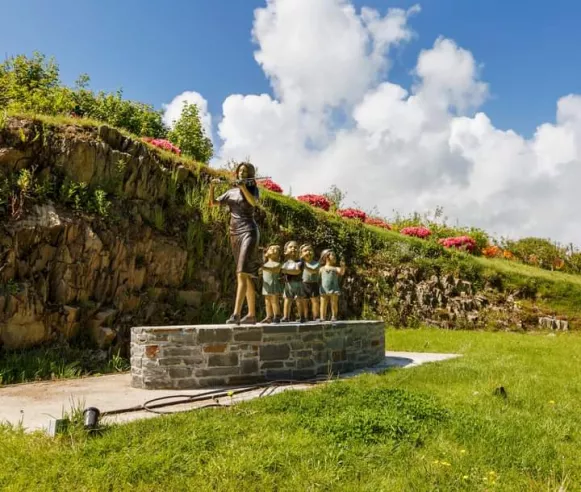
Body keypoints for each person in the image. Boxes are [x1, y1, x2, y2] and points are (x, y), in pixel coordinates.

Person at [209, 162, 260, 324]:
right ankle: (251, 315)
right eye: (240, 171)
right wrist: (211, 187)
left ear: (250, 174)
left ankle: (236, 314)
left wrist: (244, 187)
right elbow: (213, 203)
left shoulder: (252, 189)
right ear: (237, 173)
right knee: (245, 274)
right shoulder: (230, 192)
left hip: (249, 232)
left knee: (241, 273)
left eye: (245, 171)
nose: (242, 173)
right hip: (234, 233)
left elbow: (253, 203)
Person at [280, 240, 306, 322]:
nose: (293, 249)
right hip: (288, 284)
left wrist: (284, 270)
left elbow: (297, 271)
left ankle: (302, 316)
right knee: (287, 299)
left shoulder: (300, 262)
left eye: (295, 247)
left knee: (299, 299)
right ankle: (285, 317)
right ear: (285, 251)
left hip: (298, 283)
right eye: (290, 247)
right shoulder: (285, 262)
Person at [319, 249, 346, 321]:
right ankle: (322, 317)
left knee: (334, 303)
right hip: (323, 289)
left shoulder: (336, 268)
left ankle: (334, 316)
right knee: (323, 304)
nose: (335, 257)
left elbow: (342, 273)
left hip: (334, 288)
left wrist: (343, 266)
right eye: (333, 255)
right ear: (326, 257)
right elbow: (317, 278)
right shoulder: (321, 269)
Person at [260, 244, 283, 323]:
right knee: (267, 301)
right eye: (271, 249)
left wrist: (263, 267)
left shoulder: (278, 264)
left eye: (275, 249)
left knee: (274, 300)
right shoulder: (265, 264)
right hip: (266, 285)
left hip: (274, 284)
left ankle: (277, 315)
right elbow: (260, 272)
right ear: (266, 253)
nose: (273, 250)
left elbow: (274, 270)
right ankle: (269, 316)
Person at [300, 243, 320, 321]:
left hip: (314, 283)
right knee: (304, 301)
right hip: (303, 283)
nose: (308, 252)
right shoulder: (300, 263)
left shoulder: (316, 263)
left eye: (310, 250)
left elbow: (313, 271)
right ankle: (304, 317)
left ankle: (316, 316)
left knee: (315, 301)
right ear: (301, 254)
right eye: (305, 251)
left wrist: (304, 264)